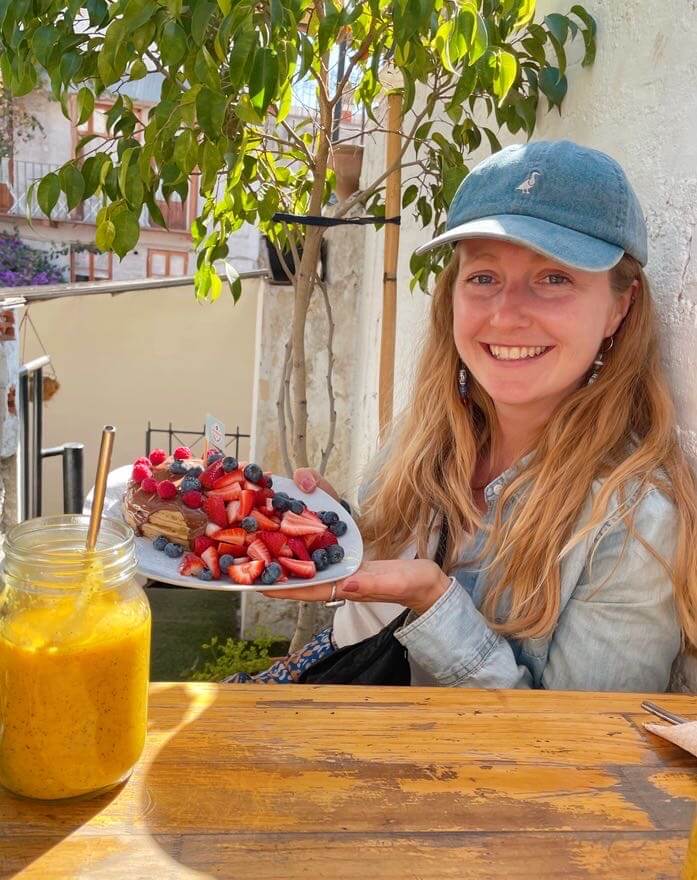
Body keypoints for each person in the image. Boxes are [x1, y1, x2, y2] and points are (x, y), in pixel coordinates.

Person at [229, 139, 697, 690]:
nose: (506, 313)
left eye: (554, 278)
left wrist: (433, 602)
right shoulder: (425, 437)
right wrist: (340, 534)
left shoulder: (636, 519)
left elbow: (579, 758)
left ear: (621, 306)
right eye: (483, 277)